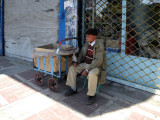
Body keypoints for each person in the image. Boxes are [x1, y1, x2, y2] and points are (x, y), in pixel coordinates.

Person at [64, 28, 107, 105]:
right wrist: (77, 62)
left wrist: (87, 70)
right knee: (72, 68)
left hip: (95, 66)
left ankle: (91, 95)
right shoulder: (87, 43)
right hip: (85, 64)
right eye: (86, 36)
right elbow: (82, 54)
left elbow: (98, 61)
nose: (86, 37)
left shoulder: (99, 46)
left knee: (92, 74)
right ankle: (73, 89)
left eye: (88, 36)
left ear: (94, 37)